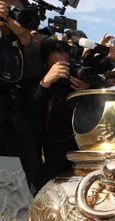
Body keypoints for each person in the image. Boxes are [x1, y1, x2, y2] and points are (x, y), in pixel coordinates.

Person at [33, 39, 90, 190]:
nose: (62, 70)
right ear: (45, 66)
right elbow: (28, 109)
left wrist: (87, 91)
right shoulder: (40, 84)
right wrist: (46, 82)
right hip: (53, 154)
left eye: (65, 64)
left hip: (80, 152)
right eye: (56, 66)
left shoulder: (76, 81)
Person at [0, 0, 43, 188]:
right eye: (7, 8)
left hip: (19, 120)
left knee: (27, 174)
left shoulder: (31, 40)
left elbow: (34, 73)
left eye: (15, 10)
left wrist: (24, 38)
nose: (11, 14)